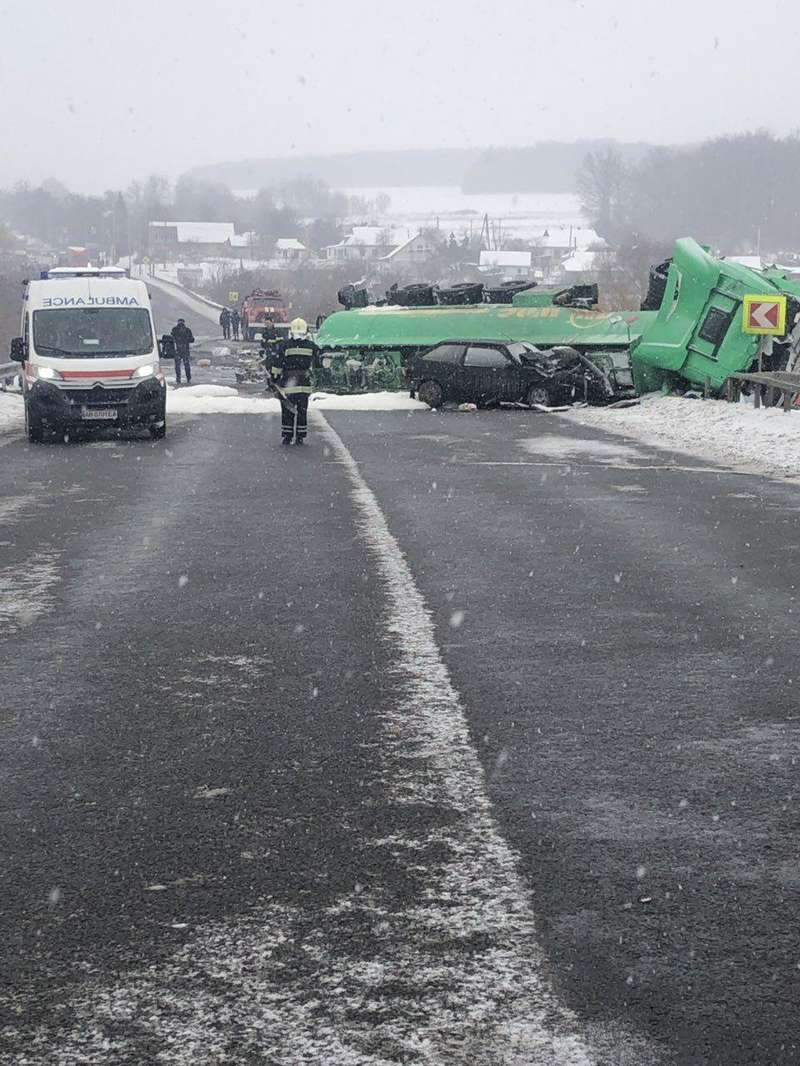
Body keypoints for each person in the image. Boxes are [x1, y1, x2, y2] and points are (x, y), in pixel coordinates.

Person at [262, 316, 317, 445]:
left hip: (288, 384)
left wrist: (274, 379)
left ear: (291, 331)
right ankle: (300, 436)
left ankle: (287, 436)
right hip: (304, 384)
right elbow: (317, 364)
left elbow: (277, 364)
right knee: (302, 411)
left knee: (288, 410)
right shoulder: (312, 346)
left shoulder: (285, 346)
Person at [171, 318, 195, 385]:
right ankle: (188, 378)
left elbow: (172, 338)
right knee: (186, 365)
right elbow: (192, 339)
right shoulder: (187, 330)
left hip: (177, 350)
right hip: (185, 350)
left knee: (177, 366)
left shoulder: (174, 330)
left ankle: (178, 379)